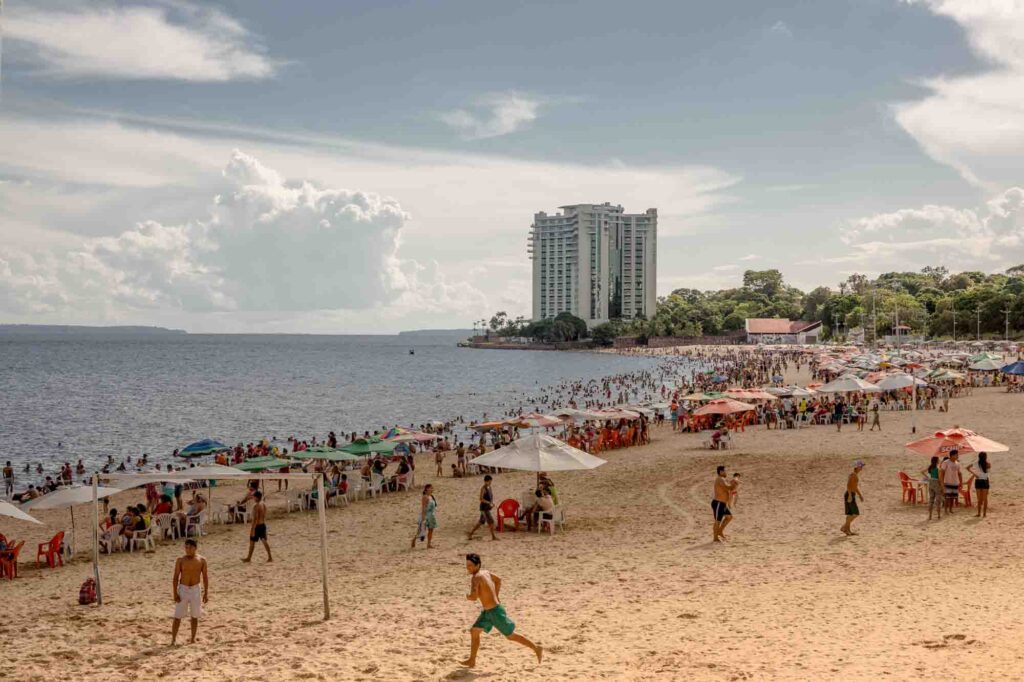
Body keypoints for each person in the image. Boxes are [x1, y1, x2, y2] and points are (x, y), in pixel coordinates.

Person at [460, 553, 542, 668]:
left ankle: (536, 648)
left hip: (494, 612)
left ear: (478, 565)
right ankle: (472, 660)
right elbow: (498, 580)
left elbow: (474, 597)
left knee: (510, 636)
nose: (468, 568)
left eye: (470, 566)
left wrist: (468, 596)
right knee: (474, 631)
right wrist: (496, 596)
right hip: (488, 612)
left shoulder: (476, 578)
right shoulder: (486, 572)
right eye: (467, 566)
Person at [171, 538, 209, 645]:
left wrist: (206, 592)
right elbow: (175, 578)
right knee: (177, 616)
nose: (187, 550)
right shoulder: (180, 560)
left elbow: (205, 577)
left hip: (196, 589)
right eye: (186, 547)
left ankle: (192, 638)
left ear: (195, 548)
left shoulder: (202, 560)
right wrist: (175, 593)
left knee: (195, 615)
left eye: (190, 548)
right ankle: (173, 639)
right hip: (183, 589)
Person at [711, 465, 738, 542]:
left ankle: (720, 531)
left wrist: (733, 483)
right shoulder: (719, 479)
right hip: (718, 503)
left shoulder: (723, 479)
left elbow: (730, 487)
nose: (726, 472)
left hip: (723, 504)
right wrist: (734, 484)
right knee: (717, 521)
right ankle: (715, 537)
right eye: (725, 471)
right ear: (721, 472)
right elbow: (728, 487)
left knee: (729, 517)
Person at [467, 475, 498, 541]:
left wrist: (491, 503)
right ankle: (493, 537)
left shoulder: (489, 487)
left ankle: (470, 534)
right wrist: (489, 503)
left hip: (486, 508)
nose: (490, 483)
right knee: (491, 522)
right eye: (489, 482)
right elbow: (481, 499)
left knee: (481, 522)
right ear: (485, 481)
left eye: (490, 482)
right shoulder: (483, 488)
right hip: (484, 508)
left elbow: (490, 496)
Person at [243, 491, 271, 562]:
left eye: (254, 496)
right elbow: (264, 515)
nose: (253, 498)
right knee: (264, 541)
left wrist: (252, 529)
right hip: (263, 524)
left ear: (257, 497)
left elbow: (255, 518)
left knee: (252, 542)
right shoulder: (263, 504)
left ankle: (249, 558)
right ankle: (270, 557)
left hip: (257, 526)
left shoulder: (256, 506)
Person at [841, 460, 865, 536]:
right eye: (861, 466)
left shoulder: (855, 475)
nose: (862, 468)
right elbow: (848, 485)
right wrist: (850, 495)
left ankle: (847, 530)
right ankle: (844, 527)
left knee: (850, 514)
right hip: (849, 494)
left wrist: (860, 495)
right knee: (855, 513)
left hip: (851, 494)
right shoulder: (853, 475)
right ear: (857, 467)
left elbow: (855, 486)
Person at [412, 483, 438, 549]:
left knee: (431, 530)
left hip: (431, 515)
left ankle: (429, 544)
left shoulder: (431, 496)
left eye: (432, 488)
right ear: (426, 489)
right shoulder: (425, 497)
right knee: (421, 530)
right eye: (430, 488)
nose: (432, 489)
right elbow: (423, 507)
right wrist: (423, 517)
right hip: (426, 515)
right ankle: (414, 540)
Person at [967, 452, 990, 519]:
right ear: (985, 457)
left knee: (979, 498)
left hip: (978, 481)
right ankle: (984, 514)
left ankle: (979, 513)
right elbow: (987, 473)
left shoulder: (976, 463)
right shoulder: (988, 464)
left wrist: (974, 474)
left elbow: (967, 468)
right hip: (985, 481)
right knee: (985, 498)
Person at [941, 450, 963, 514]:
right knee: (947, 497)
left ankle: (950, 509)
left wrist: (961, 482)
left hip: (955, 482)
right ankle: (946, 510)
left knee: (953, 497)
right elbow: (942, 472)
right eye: (956, 455)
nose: (957, 456)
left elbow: (959, 473)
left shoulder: (957, 463)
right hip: (947, 482)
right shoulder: (946, 462)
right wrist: (942, 482)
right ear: (952, 455)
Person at [921, 456, 942, 521]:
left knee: (931, 499)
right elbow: (940, 479)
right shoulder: (938, 469)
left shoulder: (930, 467)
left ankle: (930, 516)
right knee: (938, 500)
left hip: (931, 482)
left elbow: (922, 472)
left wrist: (928, 477)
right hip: (936, 483)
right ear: (937, 461)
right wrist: (942, 486)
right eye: (938, 460)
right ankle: (938, 515)